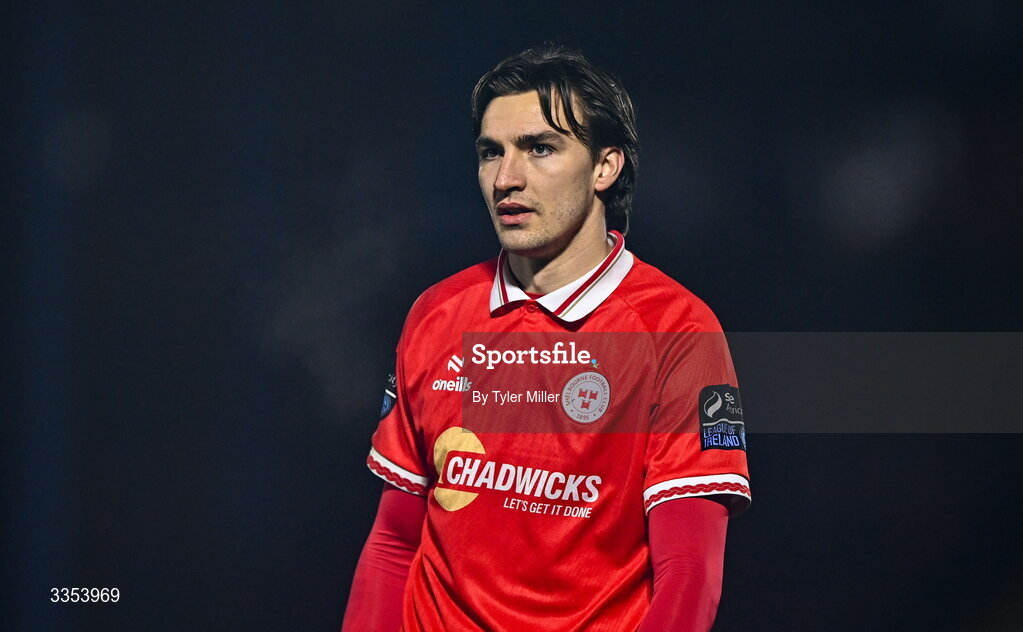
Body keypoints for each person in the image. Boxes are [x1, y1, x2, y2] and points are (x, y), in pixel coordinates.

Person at [341, 45, 750, 632]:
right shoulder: (437, 314)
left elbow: (688, 576)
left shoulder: (678, 332)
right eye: (491, 153)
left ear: (605, 167)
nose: (506, 178)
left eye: (540, 148)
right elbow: (393, 543)